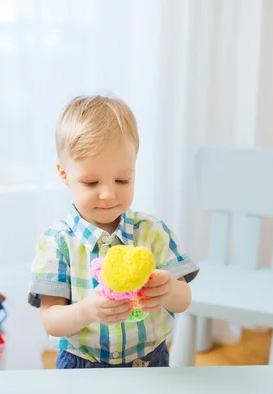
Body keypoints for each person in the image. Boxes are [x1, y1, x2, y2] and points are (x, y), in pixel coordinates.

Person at [27, 94, 199, 368]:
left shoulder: (152, 231)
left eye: (122, 179)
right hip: (82, 363)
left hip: (148, 361)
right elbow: (51, 320)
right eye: (91, 182)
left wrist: (169, 289)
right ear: (64, 175)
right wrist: (89, 309)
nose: (108, 194)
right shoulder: (57, 242)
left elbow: (184, 301)